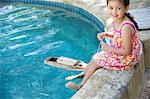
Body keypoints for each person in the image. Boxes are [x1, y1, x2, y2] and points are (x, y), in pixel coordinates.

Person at [65, 0, 141, 90]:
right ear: (107, 6)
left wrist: (108, 48)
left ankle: (80, 85)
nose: (114, 12)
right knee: (95, 56)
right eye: (111, 8)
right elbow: (119, 36)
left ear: (126, 8)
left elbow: (127, 51)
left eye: (118, 8)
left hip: (127, 59)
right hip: (121, 53)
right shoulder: (117, 20)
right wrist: (107, 34)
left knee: (97, 61)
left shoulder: (126, 27)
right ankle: (85, 73)